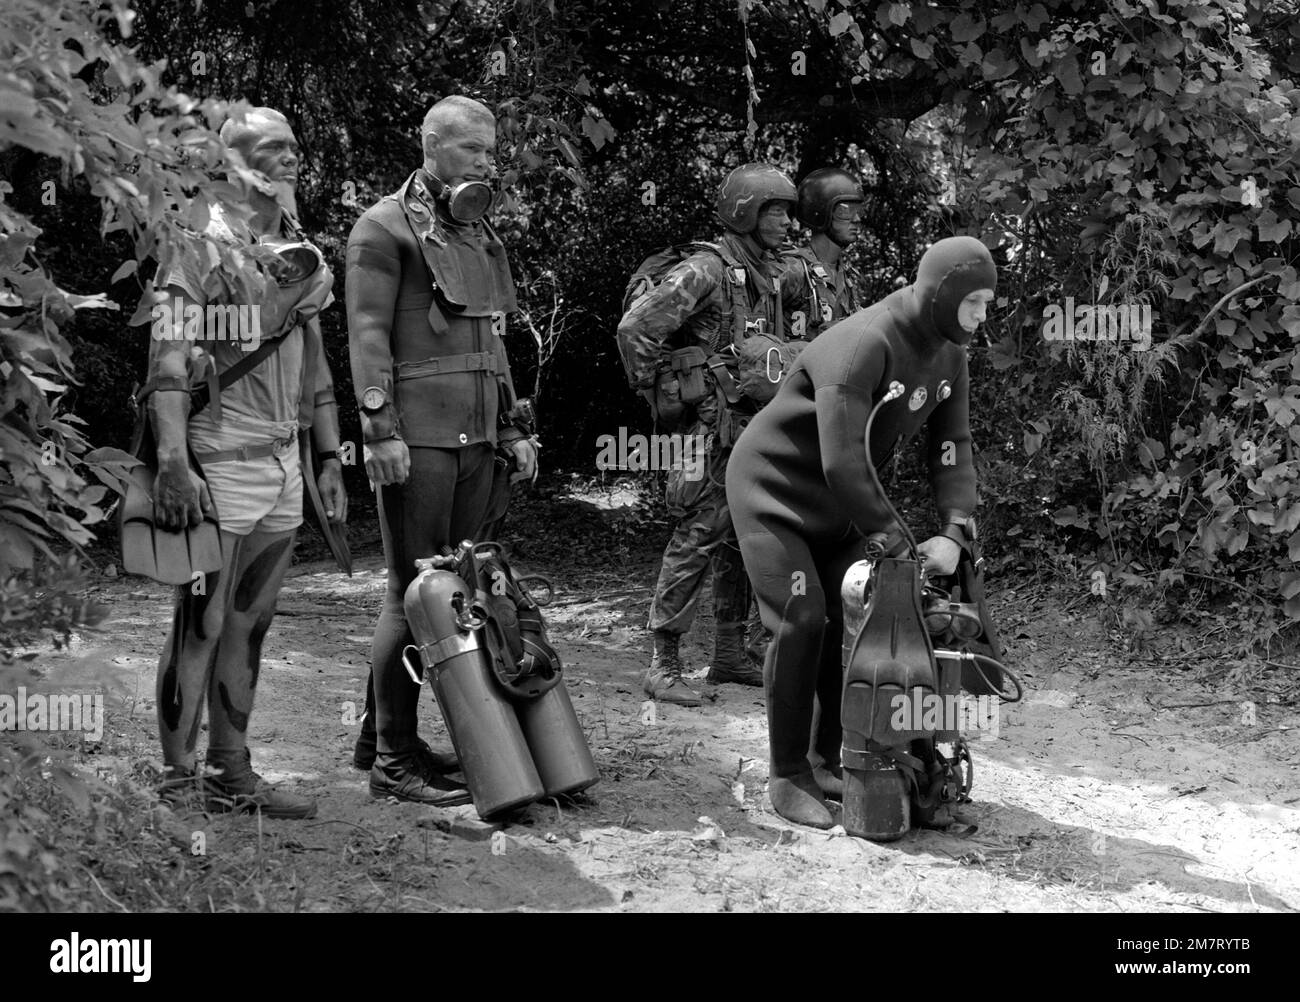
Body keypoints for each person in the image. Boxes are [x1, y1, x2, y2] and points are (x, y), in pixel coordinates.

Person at [725, 236, 996, 829]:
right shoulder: (861, 344)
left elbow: (954, 451)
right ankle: (787, 773)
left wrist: (953, 531)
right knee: (802, 621)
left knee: (855, 620)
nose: (981, 315)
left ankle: (827, 759)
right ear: (941, 296)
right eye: (973, 302)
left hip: (840, 507)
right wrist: (895, 541)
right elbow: (843, 462)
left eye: (984, 302)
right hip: (775, 496)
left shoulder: (950, 353)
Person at [148, 107, 345, 819]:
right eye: (272, 149)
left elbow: (314, 363)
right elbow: (167, 366)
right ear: (230, 164)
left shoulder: (301, 249)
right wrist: (175, 463)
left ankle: (232, 775)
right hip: (219, 463)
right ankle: (176, 784)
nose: (290, 159)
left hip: (282, 465)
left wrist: (327, 454)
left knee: (250, 625)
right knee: (197, 624)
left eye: (294, 145)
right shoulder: (197, 247)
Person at [346, 95, 537, 804]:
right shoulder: (381, 227)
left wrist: (514, 427)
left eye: (490, 150)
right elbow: (367, 334)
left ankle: (379, 737)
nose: (485, 162)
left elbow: (492, 337)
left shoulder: (479, 232)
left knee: (450, 590)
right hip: (416, 441)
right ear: (431, 148)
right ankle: (394, 764)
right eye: (469, 150)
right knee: (412, 594)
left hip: (478, 437)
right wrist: (379, 430)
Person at [616, 164, 797, 706]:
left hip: (749, 428)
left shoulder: (762, 272)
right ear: (745, 211)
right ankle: (663, 663)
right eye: (776, 210)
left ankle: (728, 654)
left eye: (788, 210)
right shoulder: (706, 268)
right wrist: (663, 393)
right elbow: (636, 330)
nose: (787, 222)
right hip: (707, 432)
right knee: (697, 534)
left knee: (741, 541)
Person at [782, 167, 865, 339]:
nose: (856, 219)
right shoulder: (793, 270)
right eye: (844, 211)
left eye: (858, 211)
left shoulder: (847, 276)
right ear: (820, 212)